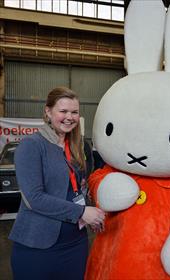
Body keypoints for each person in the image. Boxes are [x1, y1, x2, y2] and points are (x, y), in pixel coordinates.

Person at [9, 87, 105, 280]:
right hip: (38, 245)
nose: (69, 117)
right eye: (63, 111)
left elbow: (79, 188)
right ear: (48, 112)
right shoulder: (32, 146)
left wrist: (89, 214)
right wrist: (82, 212)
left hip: (75, 243)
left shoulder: (79, 145)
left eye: (74, 112)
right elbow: (34, 199)